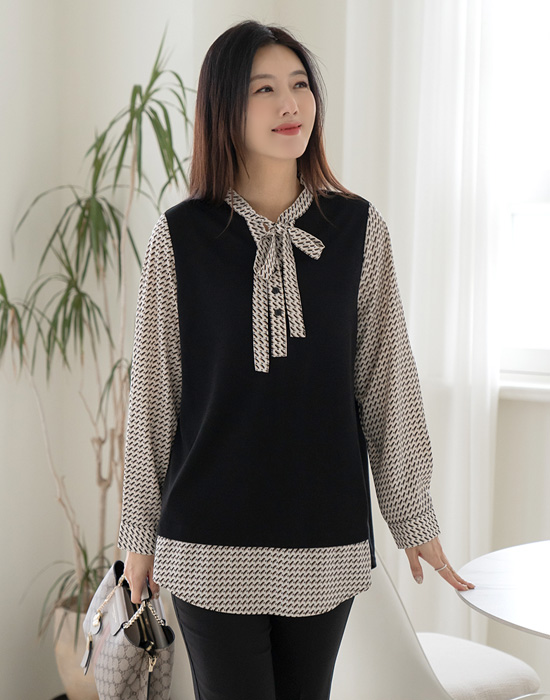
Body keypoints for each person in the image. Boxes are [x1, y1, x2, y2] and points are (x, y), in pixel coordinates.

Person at [117, 18, 474, 700]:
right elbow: (153, 397)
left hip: (325, 541)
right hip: (207, 545)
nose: (291, 104)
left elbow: (388, 380)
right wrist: (137, 537)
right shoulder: (181, 237)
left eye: (300, 85)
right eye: (265, 89)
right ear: (225, 107)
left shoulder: (359, 230)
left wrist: (413, 518)